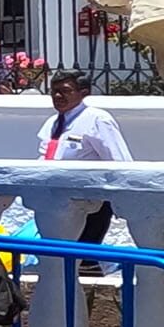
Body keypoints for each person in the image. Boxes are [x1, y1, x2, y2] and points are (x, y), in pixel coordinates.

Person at [40, 70, 132, 265]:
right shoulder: (52, 123)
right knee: (58, 260)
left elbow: (118, 161)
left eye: (65, 91)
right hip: (56, 202)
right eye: (54, 91)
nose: (57, 96)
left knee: (84, 260)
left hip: (90, 203)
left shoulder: (97, 119)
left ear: (83, 92)